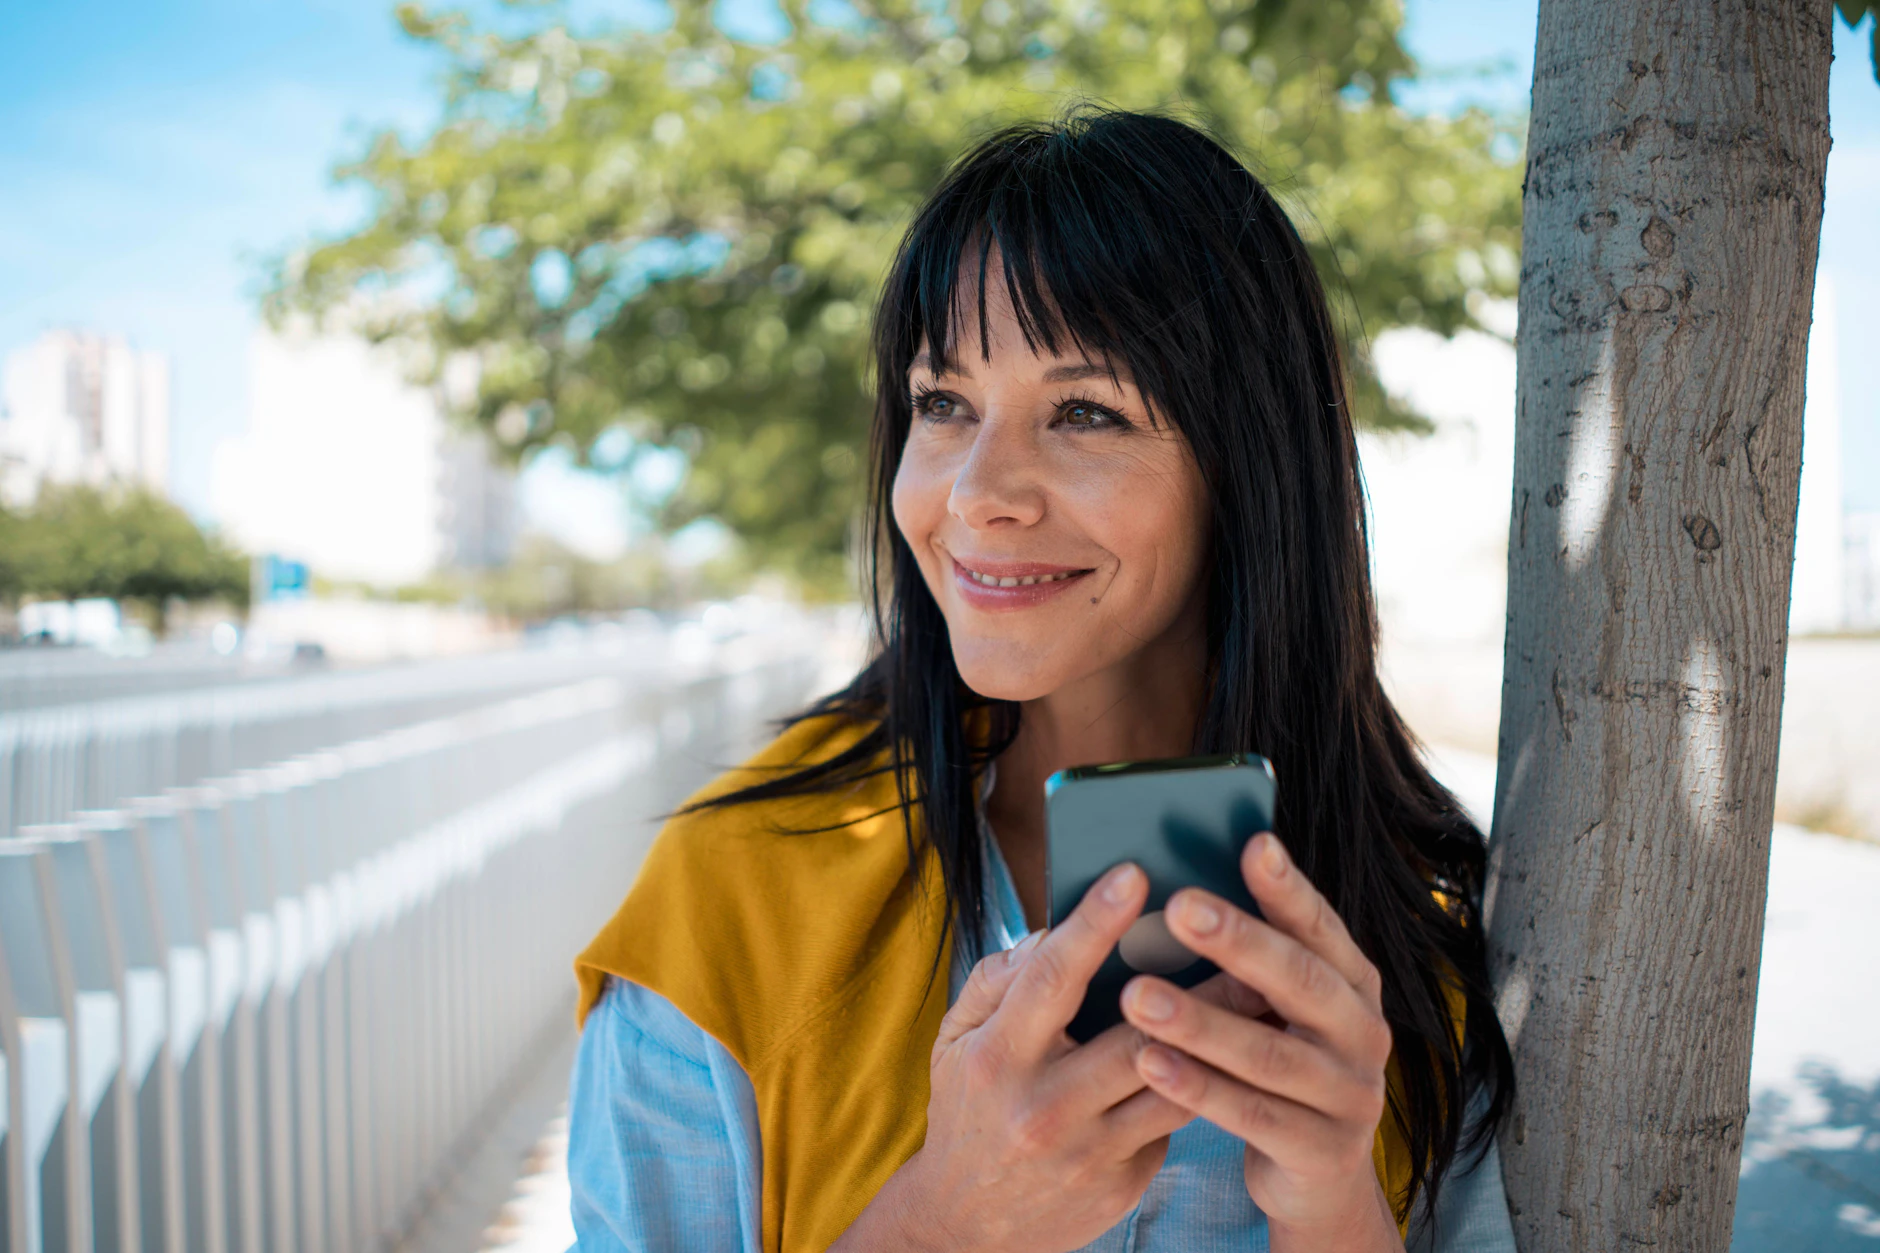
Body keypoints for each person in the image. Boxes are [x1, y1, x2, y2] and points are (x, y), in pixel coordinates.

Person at [567, 109, 1518, 1253]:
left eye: (1083, 411)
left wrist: (1332, 1205)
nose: (978, 491)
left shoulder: (1409, 933)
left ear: (1248, 467)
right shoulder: (735, 897)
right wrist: (938, 1221)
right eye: (943, 403)